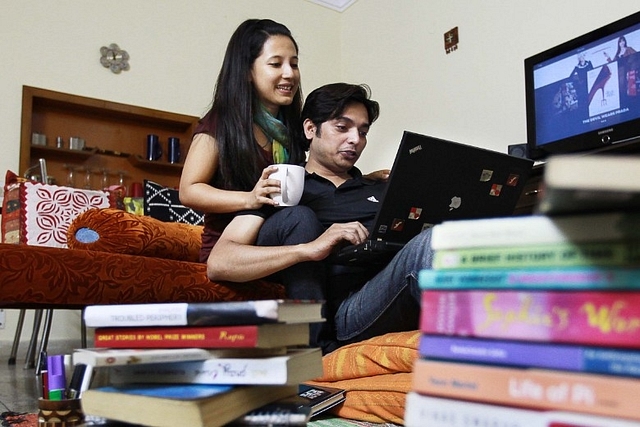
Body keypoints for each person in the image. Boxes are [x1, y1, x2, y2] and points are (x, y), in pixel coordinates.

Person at [207, 83, 434, 353]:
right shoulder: (286, 187)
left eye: (362, 132)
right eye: (342, 127)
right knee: (299, 216)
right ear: (310, 129)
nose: (355, 139)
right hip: (345, 313)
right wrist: (309, 249)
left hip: (388, 296)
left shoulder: (380, 187)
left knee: (448, 235)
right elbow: (219, 262)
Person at [179, 19, 307, 263]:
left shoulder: (293, 128)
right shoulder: (221, 122)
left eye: (294, 64)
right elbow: (189, 190)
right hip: (230, 248)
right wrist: (249, 198)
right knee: (300, 219)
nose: (289, 73)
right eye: (276, 64)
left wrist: (359, 180)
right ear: (247, 71)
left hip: (278, 235)